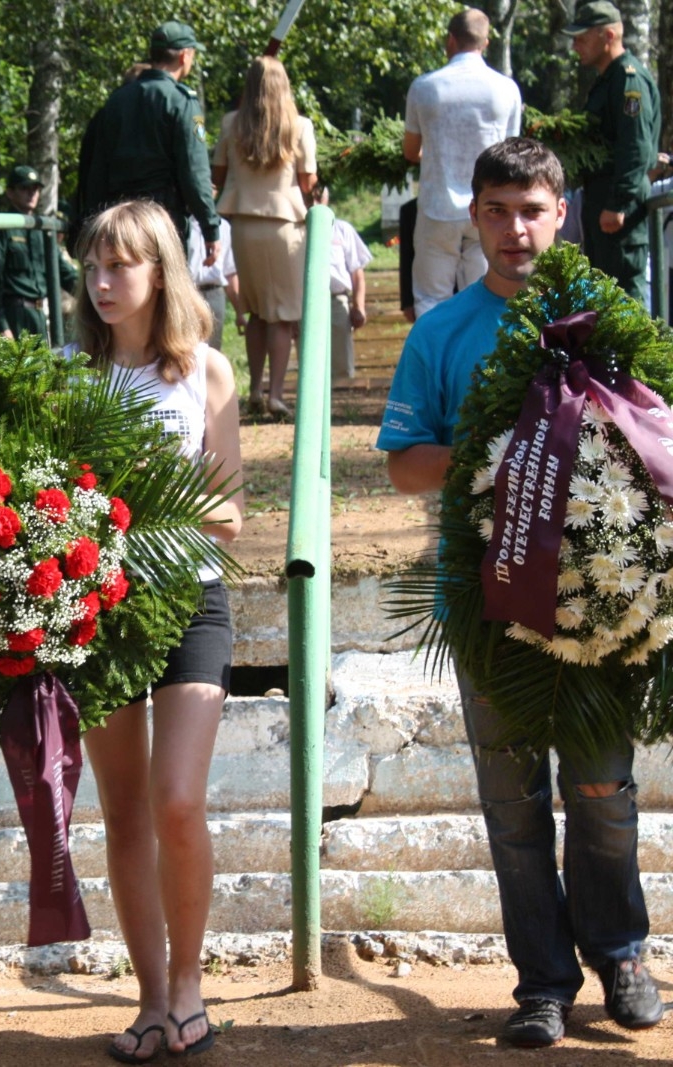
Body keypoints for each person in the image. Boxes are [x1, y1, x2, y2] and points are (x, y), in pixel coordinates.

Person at [377, 136, 664, 1050]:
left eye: (532, 210)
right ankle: (543, 980)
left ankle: (621, 952)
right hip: (485, 603)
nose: (515, 229)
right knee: (512, 804)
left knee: (602, 785)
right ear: (473, 216)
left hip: (598, 605)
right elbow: (403, 466)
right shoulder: (440, 333)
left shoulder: (609, 319)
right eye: (496, 211)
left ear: (562, 213)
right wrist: (507, 454)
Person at [72, 199, 245, 1063]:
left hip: (189, 602)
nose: (103, 283)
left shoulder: (205, 370)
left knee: (177, 798)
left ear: (161, 272)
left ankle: (188, 982)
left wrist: (138, 497)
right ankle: (148, 997)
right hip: (96, 611)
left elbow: (232, 515)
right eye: (93, 267)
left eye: (121, 266)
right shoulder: (73, 378)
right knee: (124, 811)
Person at [211, 55, 316, 419]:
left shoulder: (231, 124)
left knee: (256, 311)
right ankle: (275, 394)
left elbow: (217, 175)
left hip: (242, 225)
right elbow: (308, 182)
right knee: (282, 315)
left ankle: (254, 389)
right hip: (284, 225)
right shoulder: (299, 126)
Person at [402, 8, 524, 318]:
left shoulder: (425, 87)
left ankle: (434, 351)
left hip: (437, 207)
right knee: (486, 295)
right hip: (488, 207)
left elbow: (410, 151)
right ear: (486, 43)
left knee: (431, 298)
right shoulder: (506, 89)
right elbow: (510, 154)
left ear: (450, 40)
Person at [73, 19, 220, 267]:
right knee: (164, 286)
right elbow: (194, 172)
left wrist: (92, 223)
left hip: (118, 221)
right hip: (163, 222)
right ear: (184, 56)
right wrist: (210, 227)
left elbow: (97, 170)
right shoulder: (182, 101)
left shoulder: (116, 101)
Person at [566, 0, 662, 305]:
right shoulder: (608, 79)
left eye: (582, 38)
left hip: (618, 208)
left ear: (608, 36)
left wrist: (619, 203)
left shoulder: (628, 79)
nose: (575, 46)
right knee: (603, 298)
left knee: (625, 298)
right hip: (601, 202)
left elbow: (636, 145)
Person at [0, 164, 78, 340]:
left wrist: (92, 293)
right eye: (24, 188)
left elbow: (65, 273)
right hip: (14, 315)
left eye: (35, 188)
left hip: (40, 314)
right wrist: (1, 326)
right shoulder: (1, 227)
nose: (31, 193)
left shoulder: (42, 229)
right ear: (10, 192)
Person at [312, 183, 372, 380]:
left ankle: (343, 393)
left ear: (326, 198)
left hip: (336, 300)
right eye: (310, 199)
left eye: (319, 197)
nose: (315, 203)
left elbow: (357, 273)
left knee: (341, 362)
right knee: (311, 362)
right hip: (306, 301)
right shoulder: (296, 232)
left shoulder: (342, 230)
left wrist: (359, 306)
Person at [187, 215, 242, 350]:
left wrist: (239, 312)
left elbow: (230, 272)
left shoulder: (223, 226)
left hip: (214, 294)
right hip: (188, 293)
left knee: (212, 349)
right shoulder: (182, 223)